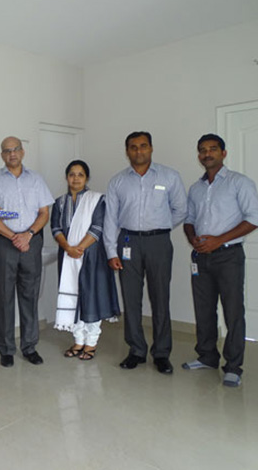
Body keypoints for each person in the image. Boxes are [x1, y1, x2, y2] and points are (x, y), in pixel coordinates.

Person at [104, 131, 187, 374]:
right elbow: (110, 219)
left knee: (160, 298)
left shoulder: (169, 176)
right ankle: (136, 350)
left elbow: (181, 209)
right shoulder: (118, 181)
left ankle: (161, 353)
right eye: (133, 147)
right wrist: (111, 251)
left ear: (151, 148)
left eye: (143, 146)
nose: (138, 151)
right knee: (131, 299)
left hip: (159, 243)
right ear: (127, 151)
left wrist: (160, 227)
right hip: (128, 241)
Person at [182, 134, 258, 387]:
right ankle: (207, 356)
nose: (207, 154)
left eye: (213, 149)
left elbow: (253, 218)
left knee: (233, 311)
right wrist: (193, 239)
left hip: (228, 256)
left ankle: (234, 366)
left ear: (223, 153)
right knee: (204, 310)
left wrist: (218, 239)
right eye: (202, 150)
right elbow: (189, 219)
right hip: (200, 257)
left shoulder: (239, 183)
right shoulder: (196, 188)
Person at [0, 136, 54, 367]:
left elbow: (44, 212)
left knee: (30, 296)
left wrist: (29, 235)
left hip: (31, 241)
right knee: (4, 296)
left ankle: (29, 346)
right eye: (6, 151)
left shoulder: (36, 179)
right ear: (1, 155)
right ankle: (6, 349)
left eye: (15, 149)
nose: (11, 154)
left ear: (23, 152)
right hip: (3, 242)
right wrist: (14, 236)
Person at [52, 160, 120, 360]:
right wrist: (67, 248)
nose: (76, 178)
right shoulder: (59, 202)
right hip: (67, 257)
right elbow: (55, 228)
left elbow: (98, 227)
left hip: (91, 257)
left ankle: (91, 343)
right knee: (75, 298)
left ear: (87, 178)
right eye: (72, 174)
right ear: (66, 177)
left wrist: (79, 248)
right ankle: (78, 340)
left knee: (92, 298)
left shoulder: (98, 200)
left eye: (80, 174)